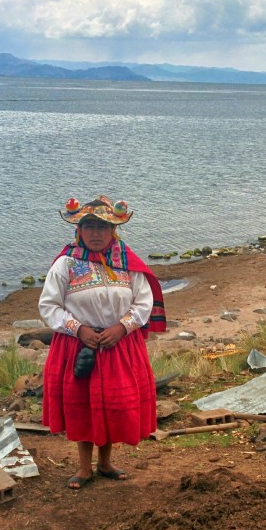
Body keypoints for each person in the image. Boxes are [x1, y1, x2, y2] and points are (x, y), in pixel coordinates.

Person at [39, 195, 166, 489]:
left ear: (113, 231)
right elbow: (49, 306)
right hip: (78, 346)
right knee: (83, 405)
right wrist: (77, 328)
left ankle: (105, 463)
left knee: (113, 404)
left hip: (118, 346)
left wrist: (123, 327)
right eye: (90, 226)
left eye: (102, 227)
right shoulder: (66, 264)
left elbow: (143, 302)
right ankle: (84, 468)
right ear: (79, 231)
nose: (96, 233)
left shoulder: (127, 264)